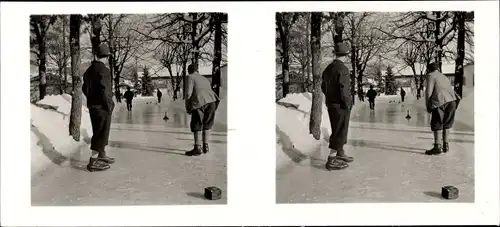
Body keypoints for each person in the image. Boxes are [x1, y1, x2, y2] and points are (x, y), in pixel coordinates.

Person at [82, 43, 115, 172]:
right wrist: (109, 105)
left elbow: (85, 88)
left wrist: (91, 98)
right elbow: (106, 90)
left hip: (92, 106)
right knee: (101, 133)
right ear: (106, 57)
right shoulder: (104, 70)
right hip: (102, 106)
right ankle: (93, 161)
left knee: (98, 130)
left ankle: (101, 155)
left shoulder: (89, 70)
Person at [321, 42, 353, 170]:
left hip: (331, 103)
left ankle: (340, 153)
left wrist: (330, 96)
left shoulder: (328, 68)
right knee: (340, 130)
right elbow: (344, 88)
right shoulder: (343, 69)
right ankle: (332, 160)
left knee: (336, 128)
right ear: (345, 55)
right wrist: (347, 103)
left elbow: (323, 86)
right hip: (341, 104)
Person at [424, 62, 461, 155]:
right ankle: (445, 145)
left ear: (429, 69)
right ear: (438, 69)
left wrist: (428, 105)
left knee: (437, 123)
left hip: (439, 101)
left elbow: (428, 92)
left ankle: (437, 147)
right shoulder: (444, 76)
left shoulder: (430, 76)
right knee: (447, 123)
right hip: (452, 101)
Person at [184, 64, 220, 156]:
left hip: (199, 102)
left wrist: (188, 106)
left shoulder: (190, 77)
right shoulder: (204, 78)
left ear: (189, 71)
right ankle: (206, 147)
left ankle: (197, 148)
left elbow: (188, 94)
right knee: (207, 124)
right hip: (212, 101)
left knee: (196, 124)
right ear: (197, 70)